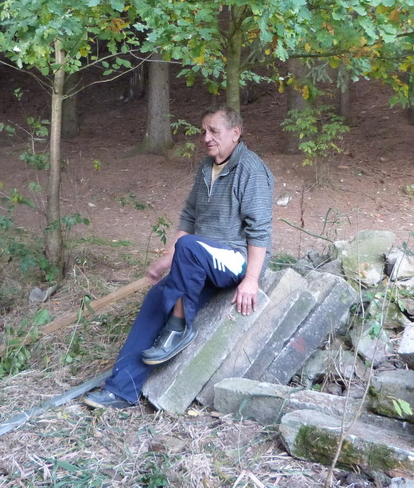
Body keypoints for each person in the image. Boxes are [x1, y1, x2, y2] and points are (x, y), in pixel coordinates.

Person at [83, 106, 275, 409]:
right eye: (204, 131)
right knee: (156, 297)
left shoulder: (251, 169)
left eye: (214, 131)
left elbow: (260, 230)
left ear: (235, 133)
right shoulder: (206, 167)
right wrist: (168, 258)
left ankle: (178, 328)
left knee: (189, 247)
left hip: (235, 260)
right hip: (201, 260)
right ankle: (121, 390)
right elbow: (189, 216)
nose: (206, 137)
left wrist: (251, 279)